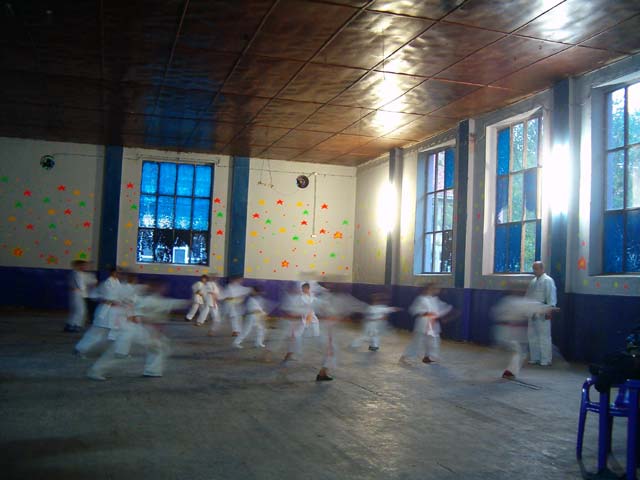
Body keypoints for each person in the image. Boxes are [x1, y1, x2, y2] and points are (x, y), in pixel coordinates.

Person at [491, 288, 558, 379]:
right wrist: (550, 308)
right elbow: (535, 307)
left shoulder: (506, 300)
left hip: (501, 329)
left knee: (514, 351)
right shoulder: (520, 302)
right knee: (518, 353)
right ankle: (509, 372)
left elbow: (494, 312)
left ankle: (507, 367)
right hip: (511, 331)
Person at [399, 284, 452, 365]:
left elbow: (443, 308)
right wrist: (426, 313)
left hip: (433, 323)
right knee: (418, 341)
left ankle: (428, 357)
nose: (437, 291)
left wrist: (449, 309)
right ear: (429, 289)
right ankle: (406, 357)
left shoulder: (435, 299)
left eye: (438, 289)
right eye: (435, 289)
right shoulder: (421, 298)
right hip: (423, 323)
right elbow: (413, 309)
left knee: (433, 341)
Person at [526, 261, 557, 367]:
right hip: (532, 311)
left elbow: (551, 296)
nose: (534, 271)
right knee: (532, 336)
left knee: (544, 336)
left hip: (543, 311)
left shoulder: (548, 280)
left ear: (542, 269)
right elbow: (528, 296)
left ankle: (546, 359)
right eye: (533, 269)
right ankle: (535, 358)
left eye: (536, 268)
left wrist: (550, 310)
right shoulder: (533, 281)